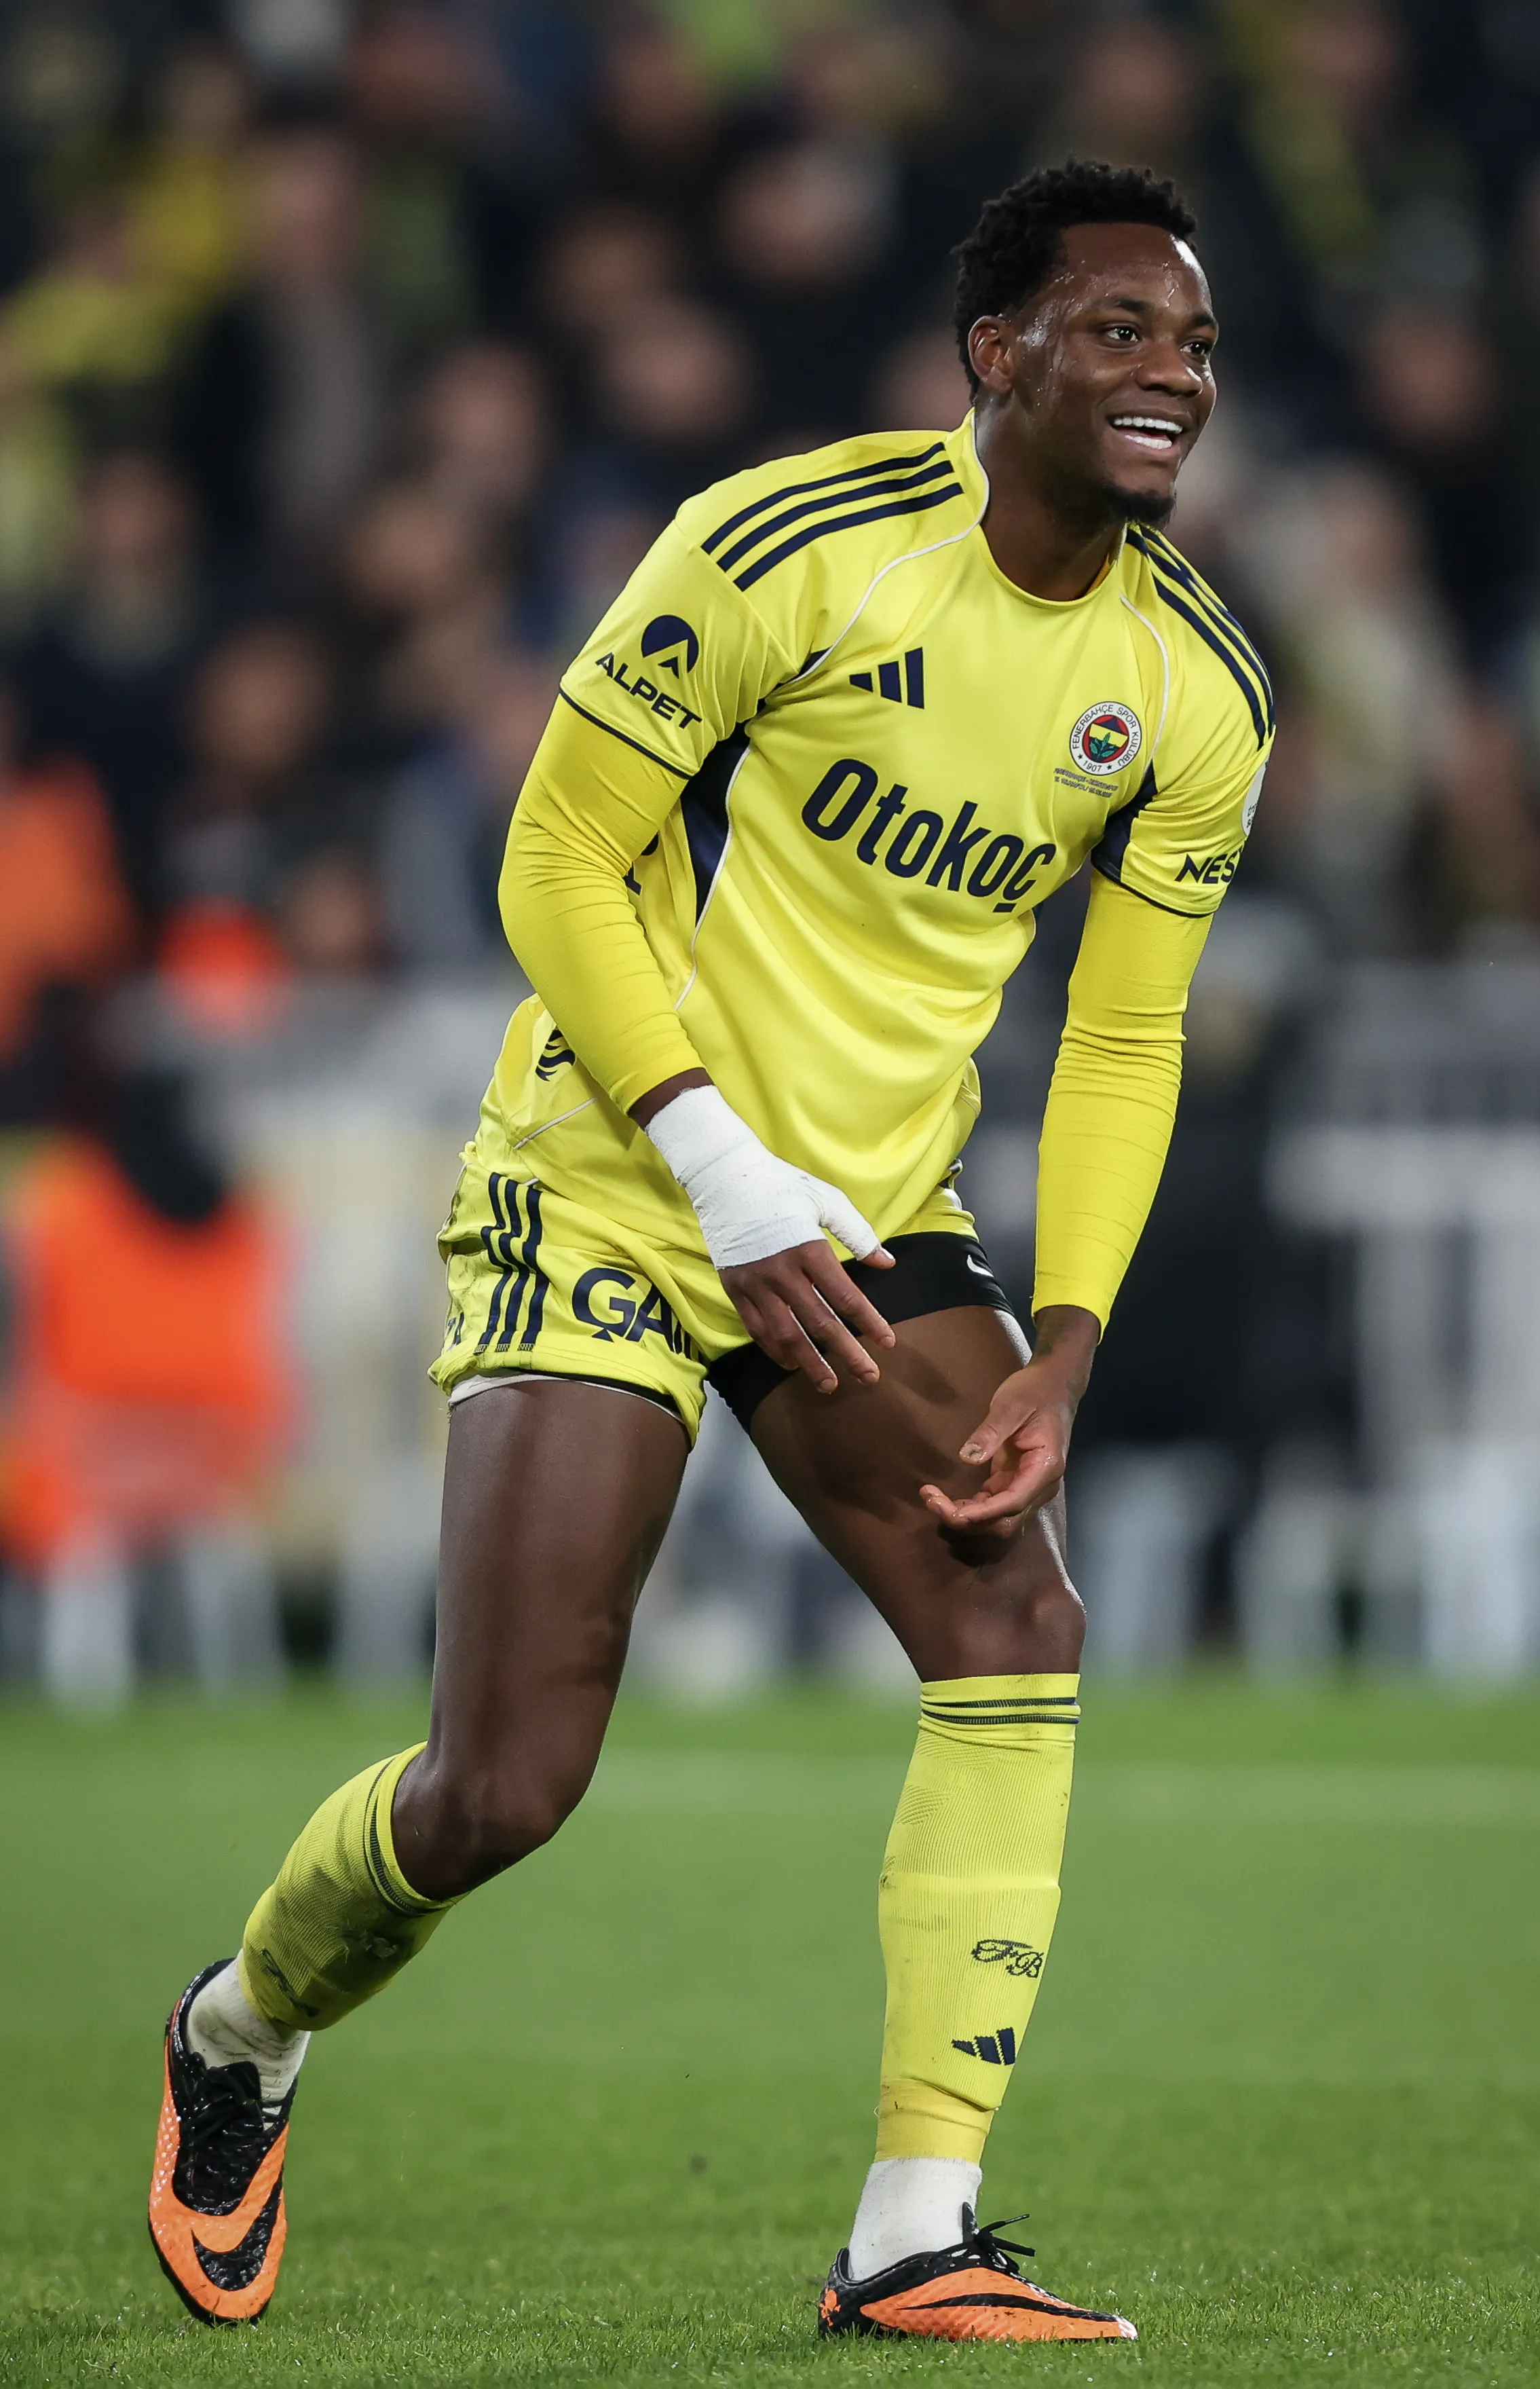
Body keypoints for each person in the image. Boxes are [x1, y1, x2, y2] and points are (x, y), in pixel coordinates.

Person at [147, 159, 1272, 2340]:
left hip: (866, 1225)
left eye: (1198, 342)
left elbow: (1128, 1026)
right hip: (616, 1169)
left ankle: (912, 2229)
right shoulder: (796, 545)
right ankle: (236, 2028)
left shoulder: (1196, 684)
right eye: (1122, 329)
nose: (1171, 376)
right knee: (505, 1786)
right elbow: (555, 854)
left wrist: (1066, 1337)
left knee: (1014, 1612)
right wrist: (716, 1165)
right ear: (999, 354)